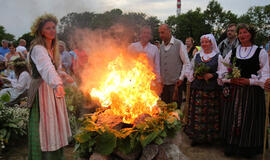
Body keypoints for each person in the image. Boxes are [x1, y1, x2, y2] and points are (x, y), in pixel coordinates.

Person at [220, 24, 269, 158]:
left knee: (249, 119)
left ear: (251, 34)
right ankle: (232, 145)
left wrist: (250, 81)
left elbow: (265, 74)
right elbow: (223, 70)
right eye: (240, 33)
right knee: (233, 119)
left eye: (245, 32)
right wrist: (230, 80)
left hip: (252, 94)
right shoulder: (234, 51)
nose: (242, 35)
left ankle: (247, 147)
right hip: (235, 91)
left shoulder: (260, 52)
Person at [28, 13, 71, 159]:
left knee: (54, 124)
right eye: (48, 28)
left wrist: (63, 75)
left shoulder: (51, 48)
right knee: (46, 124)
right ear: (41, 31)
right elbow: (46, 68)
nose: (52, 30)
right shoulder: (38, 48)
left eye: (53, 27)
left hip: (52, 89)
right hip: (42, 91)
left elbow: (54, 67)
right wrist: (58, 84)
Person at [184, 34, 222, 146]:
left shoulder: (218, 57)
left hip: (211, 90)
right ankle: (196, 137)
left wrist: (212, 75)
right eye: (203, 42)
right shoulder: (197, 56)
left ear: (212, 43)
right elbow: (190, 69)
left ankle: (210, 138)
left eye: (207, 42)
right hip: (198, 89)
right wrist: (195, 75)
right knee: (197, 113)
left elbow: (223, 71)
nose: (204, 44)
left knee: (210, 114)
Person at [158, 24, 190, 106]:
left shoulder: (179, 44)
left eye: (162, 32)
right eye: (160, 33)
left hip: (175, 85)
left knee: (175, 111)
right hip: (164, 85)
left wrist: (181, 78)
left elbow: (186, 62)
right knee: (164, 109)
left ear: (169, 31)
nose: (161, 35)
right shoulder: (161, 47)